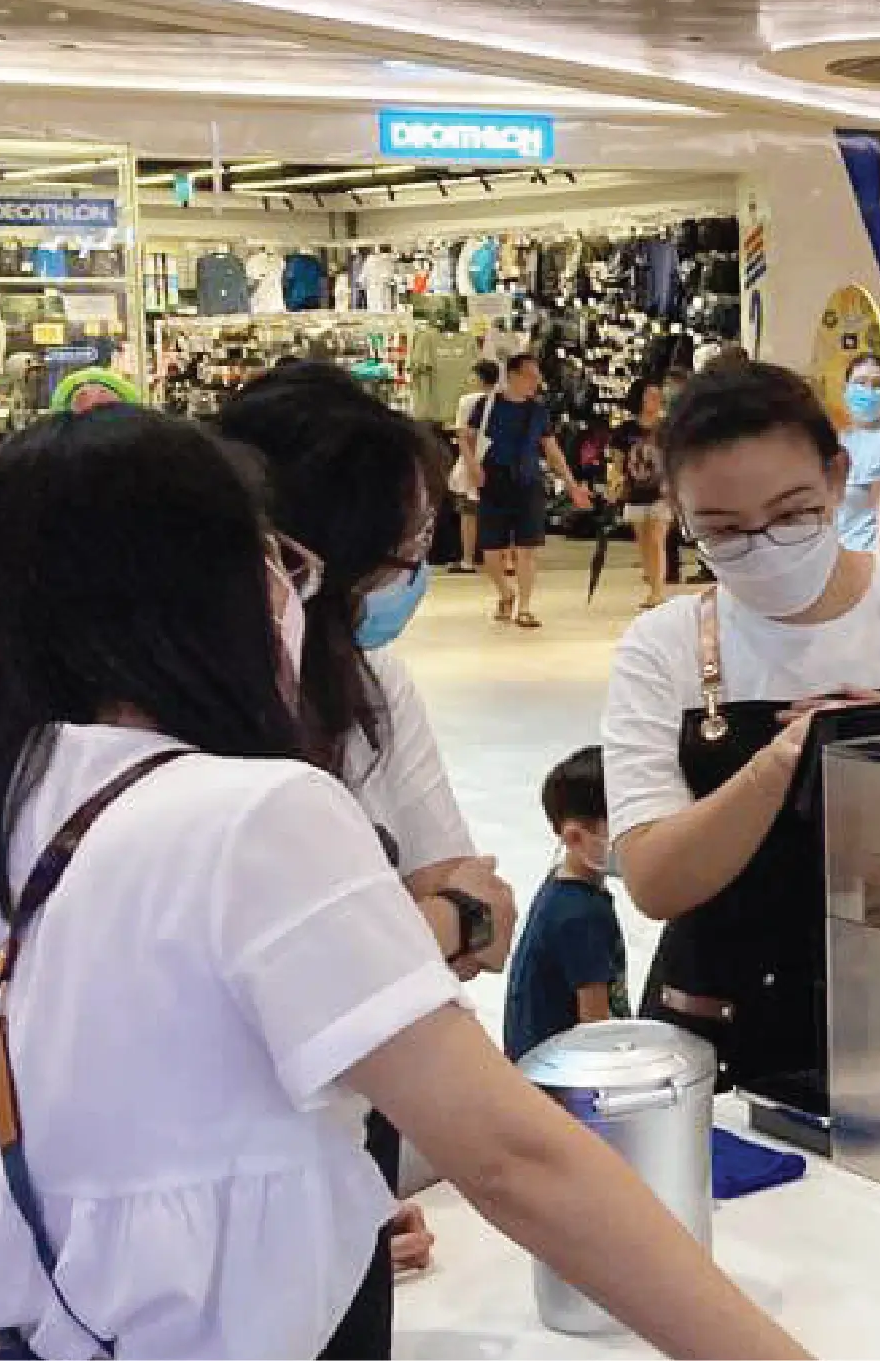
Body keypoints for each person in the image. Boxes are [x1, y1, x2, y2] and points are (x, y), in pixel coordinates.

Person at [0, 408, 806, 1360]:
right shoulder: (251, 816)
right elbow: (513, 1156)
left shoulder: (9, 795)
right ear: (205, 584)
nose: (290, 592)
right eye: (277, 561)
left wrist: (301, 1196)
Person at [218, 362, 520, 1354]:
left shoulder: (369, 690)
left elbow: (481, 915)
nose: (416, 570)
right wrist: (426, 919)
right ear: (301, 558)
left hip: (343, 1155)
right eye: (406, 546)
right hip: (204, 1217)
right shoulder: (166, 741)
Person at [604, 360, 880, 1109]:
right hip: (721, 1034)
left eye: (792, 513)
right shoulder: (663, 645)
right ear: (679, 512)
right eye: (724, 530)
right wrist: (777, 767)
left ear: (837, 478)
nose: (764, 545)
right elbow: (654, 878)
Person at [505, 747, 630, 1061]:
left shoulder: (559, 887)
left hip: (534, 1066)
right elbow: (596, 1028)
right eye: (626, 825)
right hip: (562, 1081)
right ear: (575, 838)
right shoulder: (582, 915)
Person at [463, 352, 593, 630]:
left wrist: (571, 485)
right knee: (491, 550)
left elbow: (552, 450)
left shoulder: (538, 411)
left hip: (528, 480)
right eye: (530, 376)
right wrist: (473, 465)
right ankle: (505, 593)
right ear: (512, 375)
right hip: (493, 480)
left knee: (527, 548)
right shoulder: (487, 406)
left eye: (538, 376)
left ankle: (524, 606)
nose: (536, 382)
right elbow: (466, 437)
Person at [835, 352, 880, 555]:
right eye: (860, 382)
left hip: (865, 562)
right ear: (845, 388)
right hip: (836, 559)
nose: (868, 391)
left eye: (878, 385)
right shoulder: (840, 440)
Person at [612, 376, 674, 608]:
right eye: (650, 396)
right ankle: (653, 585)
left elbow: (675, 459)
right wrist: (615, 484)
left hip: (663, 492)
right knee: (644, 542)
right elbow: (618, 463)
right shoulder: (625, 431)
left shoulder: (668, 429)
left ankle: (658, 591)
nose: (656, 401)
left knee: (657, 539)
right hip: (635, 492)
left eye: (659, 396)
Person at [446, 359, 499, 574]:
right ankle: (502, 560)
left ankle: (468, 559)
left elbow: (462, 433)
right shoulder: (503, 400)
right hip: (496, 459)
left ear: (478, 378)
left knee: (469, 513)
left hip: (471, 460)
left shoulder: (467, 400)